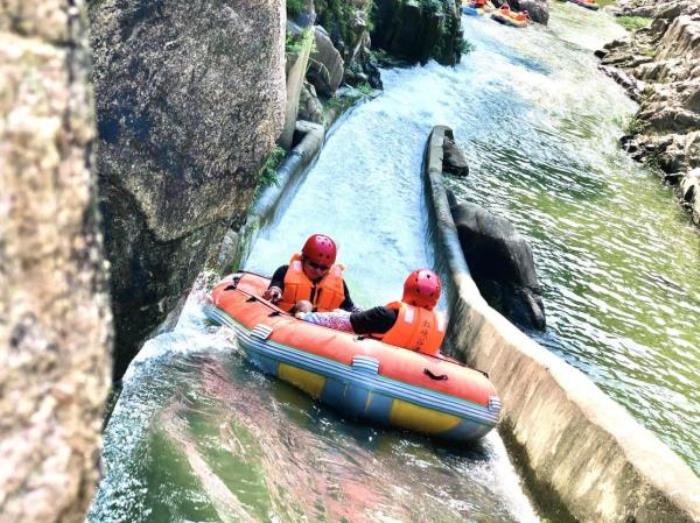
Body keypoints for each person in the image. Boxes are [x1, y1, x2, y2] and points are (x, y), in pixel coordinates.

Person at [297, 269, 446, 356]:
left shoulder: (385, 315)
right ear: (436, 299)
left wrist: (307, 317)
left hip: (374, 362)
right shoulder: (438, 326)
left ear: (407, 288)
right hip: (412, 376)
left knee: (341, 315)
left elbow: (341, 323)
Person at [262, 233, 358, 313]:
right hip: (288, 314)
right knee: (304, 306)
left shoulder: (339, 283)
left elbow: (349, 308)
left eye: (324, 268)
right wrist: (274, 291)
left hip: (322, 324)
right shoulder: (284, 271)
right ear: (303, 259)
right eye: (313, 265)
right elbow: (276, 285)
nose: (318, 271)